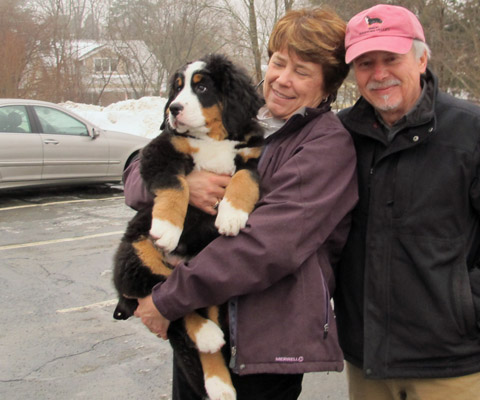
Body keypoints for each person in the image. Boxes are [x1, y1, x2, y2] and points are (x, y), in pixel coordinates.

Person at [122, 7, 358, 400]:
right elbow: (137, 176)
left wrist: (166, 300)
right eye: (278, 63)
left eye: (302, 71)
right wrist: (184, 184)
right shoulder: (235, 115)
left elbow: (265, 246)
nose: (282, 79)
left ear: (327, 85)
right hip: (200, 323)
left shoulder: (325, 145)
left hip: (262, 345)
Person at [334, 4, 480, 400]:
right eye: (365, 63)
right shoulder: (340, 136)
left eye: (391, 59)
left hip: (449, 360)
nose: (378, 75)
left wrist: (473, 306)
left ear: (421, 58)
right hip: (367, 360)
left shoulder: (474, 132)